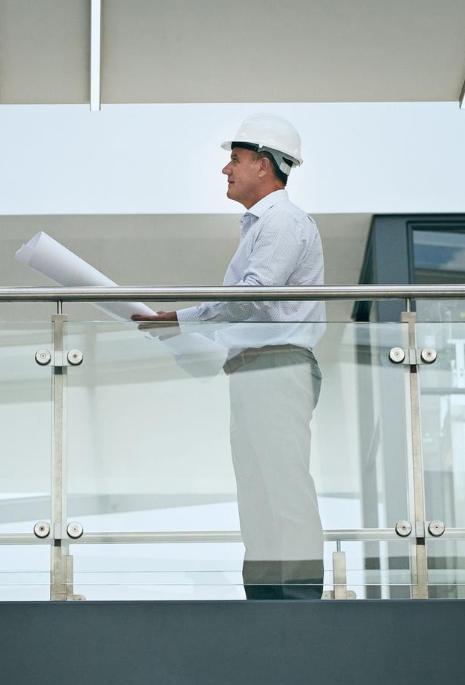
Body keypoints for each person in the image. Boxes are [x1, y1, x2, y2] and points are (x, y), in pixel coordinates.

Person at [133, 113, 326, 599]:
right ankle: (265, 605)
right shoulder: (261, 226)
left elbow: (254, 296)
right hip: (254, 369)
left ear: (264, 165)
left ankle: (300, 603)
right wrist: (191, 340)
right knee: (258, 493)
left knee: (281, 487)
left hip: (277, 367)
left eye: (235, 160)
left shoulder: (282, 221)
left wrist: (183, 320)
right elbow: (249, 307)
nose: (226, 170)